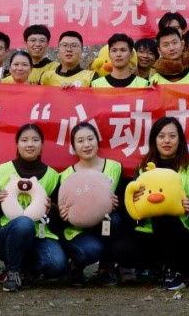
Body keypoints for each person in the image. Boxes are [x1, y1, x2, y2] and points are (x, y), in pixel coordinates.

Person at [111, 116, 189, 290]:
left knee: (164, 215)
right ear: (154, 140)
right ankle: (160, 267)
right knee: (120, 249)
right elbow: (131, 211)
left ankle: (175, 271)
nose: (167, 141)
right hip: (149, 234)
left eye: (172, 136)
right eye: (161, 136)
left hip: (181, 234)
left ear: (180, 140)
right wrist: (135, 200)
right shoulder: (142, 169)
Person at [0, 123, 67, 292]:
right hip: (6, 235)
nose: (30, 144)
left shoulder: (52, 175)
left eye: (35, 140)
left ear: (42, 144)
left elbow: (61, 210)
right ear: (17, 144)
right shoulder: (3, 170)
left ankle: (27, 269)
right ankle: (13, 272)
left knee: (57, 265)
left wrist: (51, 209)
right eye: (24, 140)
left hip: (40, 235)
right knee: (23, 223)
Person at [57, 122, 123, 284]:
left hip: (105, 225)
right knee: (91, 250)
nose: (86, 145)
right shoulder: (66, 175)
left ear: (97, 141)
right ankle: (76, 266)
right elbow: (58, 209)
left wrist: (117, 204)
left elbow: (126, 201)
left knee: (115, 220)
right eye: (80, 141)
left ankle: (105, 269)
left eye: (90, 139)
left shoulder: (115, 167)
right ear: (74, 147)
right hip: (77, 231)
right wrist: (62, 214)